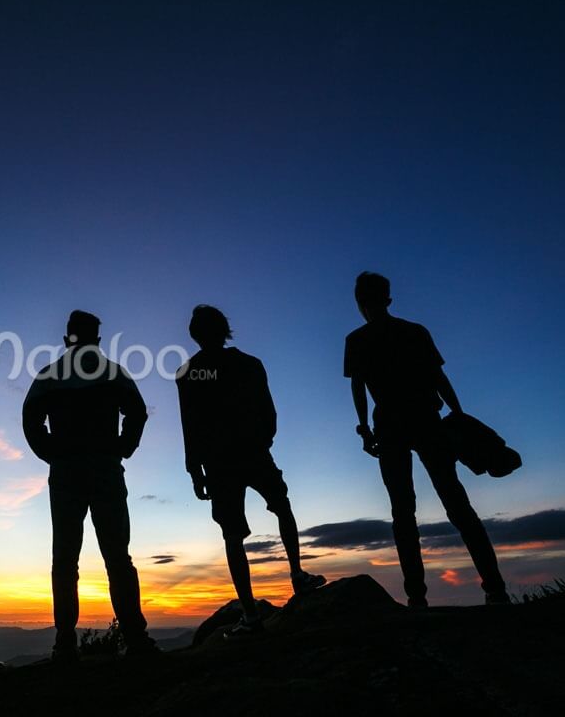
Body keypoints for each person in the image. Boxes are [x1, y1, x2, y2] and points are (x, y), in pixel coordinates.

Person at [344, 272, 508, 607]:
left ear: (360, 302)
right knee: (457, 504)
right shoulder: (414, 332)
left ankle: (417, 598)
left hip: (389, 425)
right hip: (426, 420)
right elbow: (439, 377)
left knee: (403, 512)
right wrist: (459, 415)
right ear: (388, 299)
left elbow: (358, 388)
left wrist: (364, 428)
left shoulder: (357, 339)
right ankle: (495, 589)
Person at [176, 305, 326, 637]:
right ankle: (297, 575)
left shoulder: (189, 372)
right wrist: (264, 441)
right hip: (252, 452)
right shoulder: (248, 364)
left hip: (219, 462)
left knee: (233, 534)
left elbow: (191, 425)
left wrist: (194, 470)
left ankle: (250, 614)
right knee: (281, 506)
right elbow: (267, 409)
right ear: (224, 329)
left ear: (195, 335)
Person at [22, 310, 159, 662]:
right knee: (117, 556)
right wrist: (123, 447)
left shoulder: (50, 375)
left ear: (67, 337)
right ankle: (135, 637)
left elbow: (30, 419)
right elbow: (138, 412)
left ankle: (66, 642)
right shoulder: (112, 371)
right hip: (104, 470)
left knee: (65, 559)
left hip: (68, 474)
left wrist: (51, 453)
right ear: (97, 338)